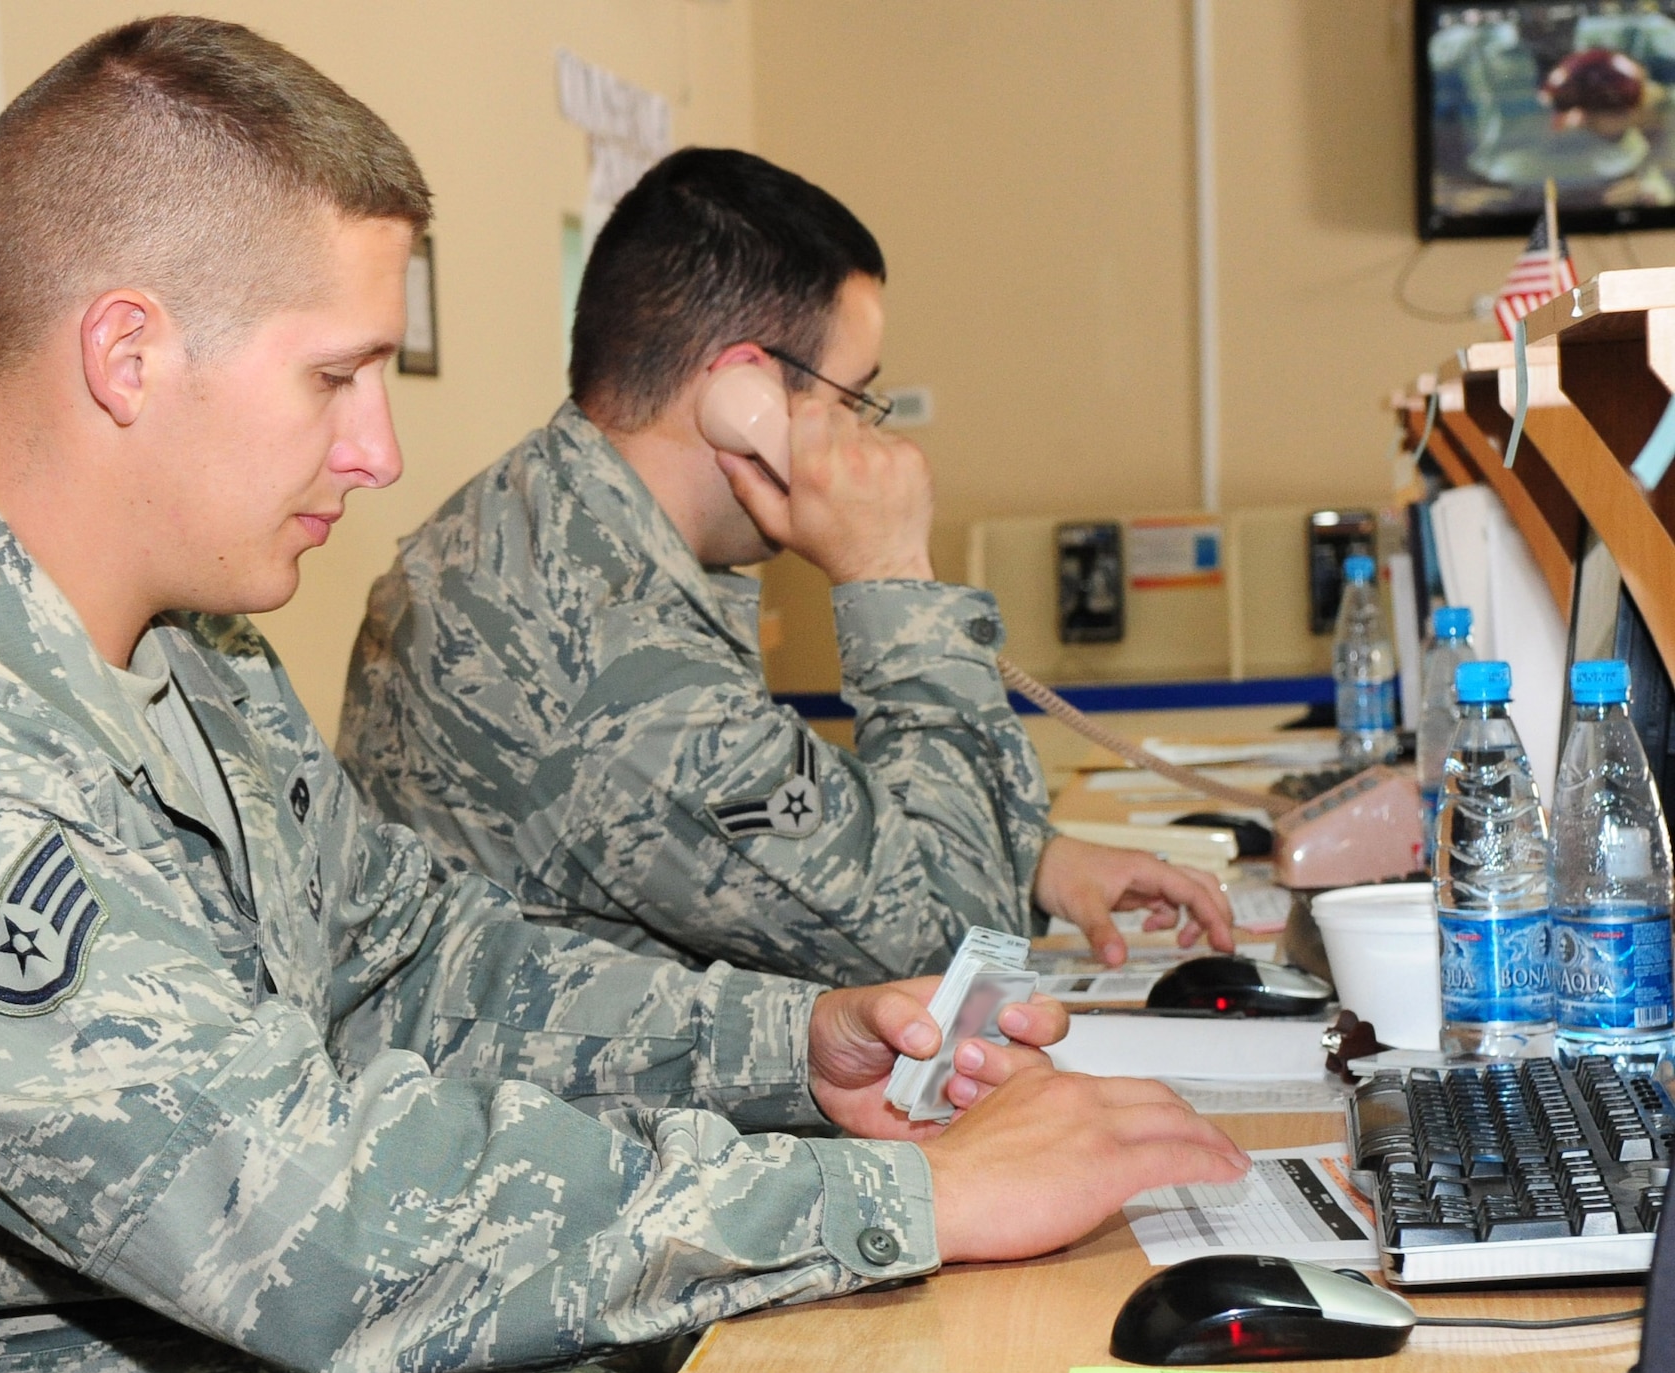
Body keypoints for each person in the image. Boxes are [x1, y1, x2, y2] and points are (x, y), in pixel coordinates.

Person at [0, 18, 1249, 1373]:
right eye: (334, 377)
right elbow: (296, 1217)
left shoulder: (188, 654)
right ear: (128, 355)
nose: (378, 453)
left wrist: (795, 1046)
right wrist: (914, 1202)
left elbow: (424, 965)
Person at [338, 148, 1234, 987]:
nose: (866, 434)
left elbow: (773, 824)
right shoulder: (608, 646)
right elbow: (956, 953)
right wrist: (891, 577)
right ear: (744, 395)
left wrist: (1033, 857)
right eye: (855, 397)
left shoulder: (545, 519)